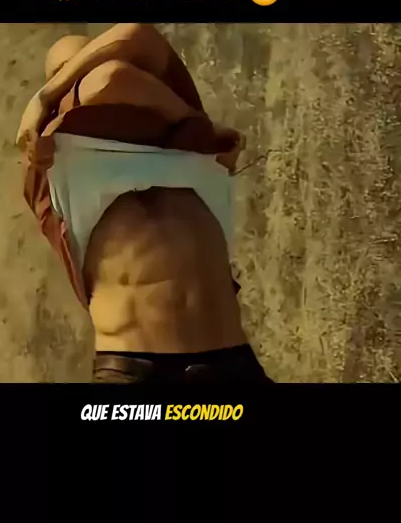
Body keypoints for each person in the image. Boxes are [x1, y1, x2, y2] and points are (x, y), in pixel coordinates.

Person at [17, 23, 273, 384]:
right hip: (132, 372)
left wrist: (187, 119)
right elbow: (108, 78)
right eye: (65, 73)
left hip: (230, 366)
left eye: (85, 62)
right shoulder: (47, 160)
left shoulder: (191, 139)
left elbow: (126, 51)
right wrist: (46, 102)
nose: (78, 76)